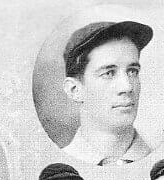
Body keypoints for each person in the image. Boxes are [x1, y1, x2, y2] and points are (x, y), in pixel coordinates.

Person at [61, 21, 154, 165]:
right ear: (74, 90)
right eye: (109, 73)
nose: (127, 87)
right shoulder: (61, 161)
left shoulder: (159, 158)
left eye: (132, 71)